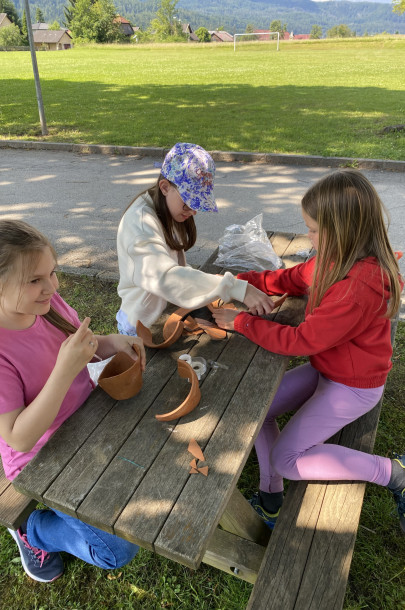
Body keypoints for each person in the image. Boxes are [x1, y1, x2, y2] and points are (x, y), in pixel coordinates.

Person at [212, 169, 405, 532]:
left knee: (288, 459)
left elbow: (301, 340)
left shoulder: (358, 287)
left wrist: (239, 322)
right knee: (257, 411)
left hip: (353, 387)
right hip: (327, 369)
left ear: (342, 229)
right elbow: (292, 278)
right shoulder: (332, 258)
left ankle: (393, 473)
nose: (308, 235)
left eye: (313, 229)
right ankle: (271, 499)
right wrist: (243, 283)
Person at [0, 219, 146, 582]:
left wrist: (109, 342)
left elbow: (75, 343)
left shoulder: (45, 304)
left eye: (52, 273)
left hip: (88, 418)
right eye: (35, 280)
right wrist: (65, 370)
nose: (52, 287)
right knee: (117, 550)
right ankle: (33, 531)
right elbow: (18, 437)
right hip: (44, 457)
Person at [116, 142, 276, 335]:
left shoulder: (164, 208)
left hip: (163, 314)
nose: (193, 211)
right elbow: (165, 277)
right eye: (188, 203)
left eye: (197, 204)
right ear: (165, 187)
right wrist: (238, 288)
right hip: (142, 325)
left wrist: (211, 284)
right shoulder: (141, 225)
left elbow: (174, 268)